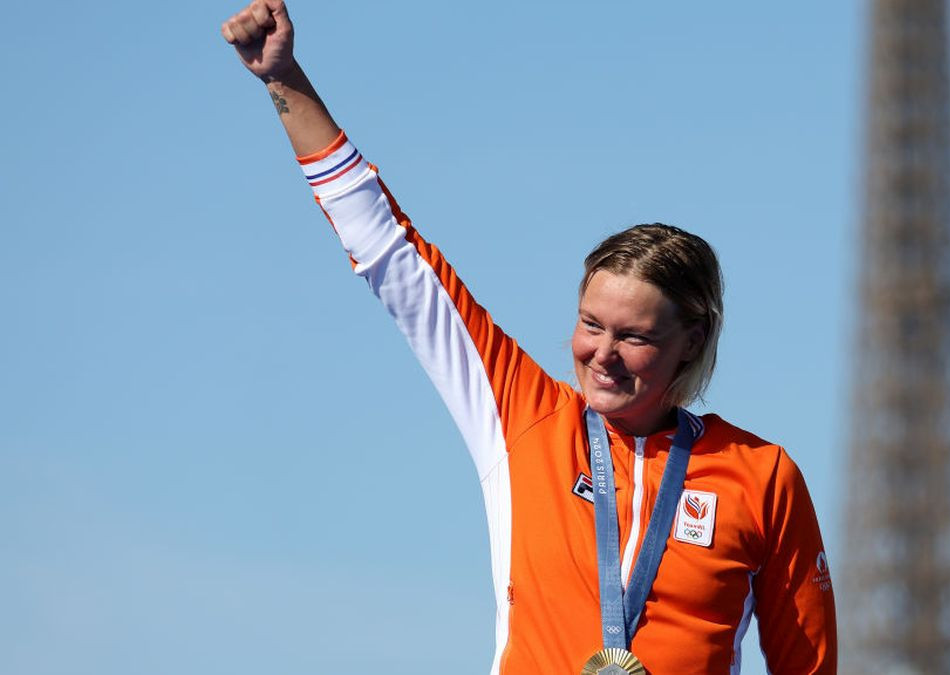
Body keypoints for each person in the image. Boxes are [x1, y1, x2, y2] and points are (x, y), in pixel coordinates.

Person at [221, 2, 836, 673]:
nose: (601, 352)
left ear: (691, 340)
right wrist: (285, 79)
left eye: (632, 336)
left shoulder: (761, 474)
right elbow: (392, 255)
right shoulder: (522, 417)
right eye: (590, 324)